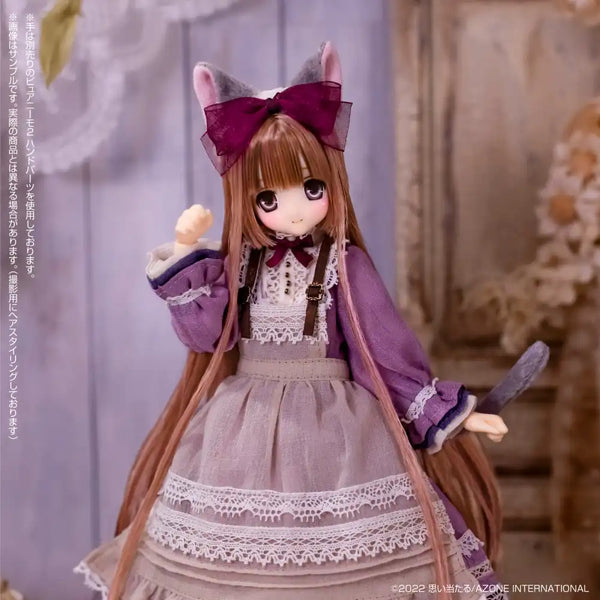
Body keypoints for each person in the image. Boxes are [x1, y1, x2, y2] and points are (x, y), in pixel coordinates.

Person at [74, 41, 509, 600]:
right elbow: (207, 336)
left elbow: (385, 353)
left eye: (311, 189)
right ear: (245, 197)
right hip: (238, 437)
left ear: (332, 182)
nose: (296, 210)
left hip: (340, 439)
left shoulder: (344, 266)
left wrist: (453, 413)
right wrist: (184, 251)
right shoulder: (239, 267)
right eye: (268, 198)